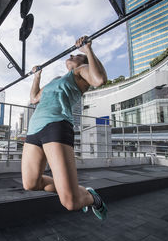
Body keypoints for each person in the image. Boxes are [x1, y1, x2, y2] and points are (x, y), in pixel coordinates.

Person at [21, 36, 108, 220]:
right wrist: (37, 76)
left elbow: (99, 79)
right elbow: (34, 98)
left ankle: (92, 198)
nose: (71, 54)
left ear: (82, 61)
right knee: (30, 183)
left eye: (76, 54)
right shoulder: (55, 80)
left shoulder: (80, 72)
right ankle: (74, 190)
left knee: (71, 203)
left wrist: (88, 50)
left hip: (57, 125)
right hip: (34, 129)